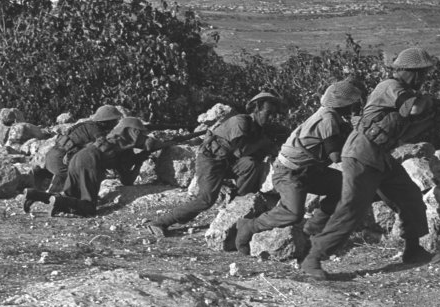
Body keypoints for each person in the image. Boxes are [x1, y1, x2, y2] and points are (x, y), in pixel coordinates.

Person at [300, 47, 437, 280]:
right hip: (361, 154)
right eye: (419, 73)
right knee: (352, 208)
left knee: (409, 196)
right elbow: (415, 108)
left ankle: (413, 249)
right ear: (405, 71)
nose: (422, 78)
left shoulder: (403, 92)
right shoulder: (391, 86)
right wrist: (430, 101)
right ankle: (312, 258)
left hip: (380, 156)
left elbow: (405, 128)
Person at [234, 80, 363, 255]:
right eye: (353, 103)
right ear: (343, 104)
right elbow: (336, 156)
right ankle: (249, 226)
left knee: (344, 187)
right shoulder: (328, 119)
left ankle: (312, 230)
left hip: (309, 169)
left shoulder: (332, 115)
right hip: (289, 172)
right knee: (293, 213)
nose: (355, 107)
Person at [146, 91, 282, 236]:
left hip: (227, 162)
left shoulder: (258, 129)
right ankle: (160, 222)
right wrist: (263, 143)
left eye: (273, 114)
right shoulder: (240, 121)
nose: (271, 118)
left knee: (250, 164)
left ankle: (236, 205)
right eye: (268, 113)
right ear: (257, 108)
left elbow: (253, 153)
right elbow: (240, 151)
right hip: (210, 160)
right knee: (206, 200)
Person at [25, 116, 164, 217]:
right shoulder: (124, 150)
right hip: (89, 160)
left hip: (77, 158)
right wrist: (140, 160)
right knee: (89, 207)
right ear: (134, 132)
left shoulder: (111, 140)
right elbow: (127, 180)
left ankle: (35, 195)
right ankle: (58, 201)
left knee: (71, 197)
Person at [22, 105, 122, 211]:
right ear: (106, 121)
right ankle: (66, 203)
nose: (116, 124)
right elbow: (105, 148)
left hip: (52, 156)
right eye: (114, 121)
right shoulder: (96, 130)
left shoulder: (86, 125)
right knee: (81, 183)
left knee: (70, 186)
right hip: (61, 160)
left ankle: (33, 195)